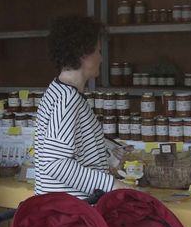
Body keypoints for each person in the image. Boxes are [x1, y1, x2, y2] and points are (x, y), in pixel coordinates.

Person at [32, 16, 125, 199]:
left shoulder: (59, 91)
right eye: (98, 51)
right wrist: (112, 185)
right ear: (83, 54)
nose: (101, 58)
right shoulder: (67, 100)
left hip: (63, 213)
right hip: (70, 218)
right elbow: (55, 163)